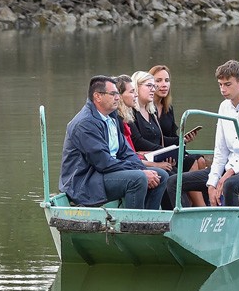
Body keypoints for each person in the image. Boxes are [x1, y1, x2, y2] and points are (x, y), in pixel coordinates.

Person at [60, 76, 168, 210]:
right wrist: (141, 172)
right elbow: (103, 162)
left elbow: (126, 152)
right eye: (113, 94)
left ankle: (149, 221)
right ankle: (133, 225)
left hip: (104, 174)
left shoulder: (111, 117)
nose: (118, 97)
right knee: (138, 179)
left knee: (160, 175)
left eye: (118, 93)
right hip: (85, 181)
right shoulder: (85, 124)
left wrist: (143, 169)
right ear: (98, 96)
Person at [176, 61, 239, 207]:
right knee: (174, 182)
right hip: (228, 167)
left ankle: (230, 226)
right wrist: (211, 183)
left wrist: (231, 172)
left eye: (228, 84)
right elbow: (221, 151)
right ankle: (184, 223)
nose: (223, 89)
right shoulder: (224, 107)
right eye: (220, 84)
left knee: (229, 185)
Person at [148, 64, 179, 143]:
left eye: (167, 80)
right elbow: (152, 138)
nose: (164, 85)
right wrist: (181, 140)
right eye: (158, 81)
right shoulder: (143, 107)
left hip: (169, 151)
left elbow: (172, 135)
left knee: (198, 156)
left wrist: (184, 139)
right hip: (152, 151)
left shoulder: (168, 108)